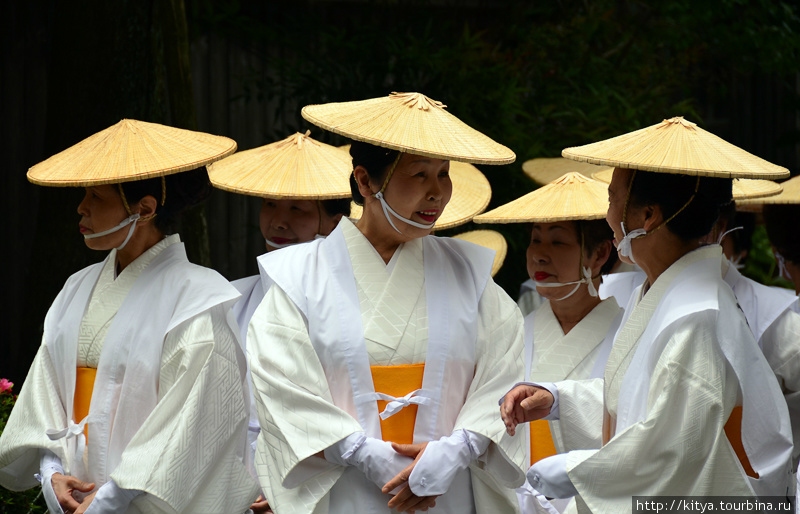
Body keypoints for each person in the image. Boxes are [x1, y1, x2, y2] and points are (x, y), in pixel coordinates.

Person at [248, 92, 526, 513]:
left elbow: (502, 372)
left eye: (444, 174)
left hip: (446, 489)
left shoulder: (469, 274)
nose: (438, 193)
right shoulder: (298, 276)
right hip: (344, 488)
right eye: (419, 175)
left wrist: (457, 449)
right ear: (365, 181)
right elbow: (281, 382)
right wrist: (360, 450)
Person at [501, 117, 793, 512]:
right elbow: (643, 399)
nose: (607, 216)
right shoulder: (663, 291)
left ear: (648, 216)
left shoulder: (696, 314)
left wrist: (579, 467)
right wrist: (558, 400)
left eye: (611, 200)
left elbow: (673, 449)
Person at [0, 119, 260, 513]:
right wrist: (52, 471)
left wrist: (112, 497)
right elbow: (45, 392)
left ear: (144, 209)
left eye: (97, 197)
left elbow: (190, 425)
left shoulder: (197, 297)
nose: (81, 207)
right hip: (74, 489)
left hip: (140, 500)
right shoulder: (77, 286)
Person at [208, 130, 353, 513]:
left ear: (336, 221)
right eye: (270, 205)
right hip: (236, 473)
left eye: (298, 210)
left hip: (318, 475)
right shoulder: (234, 298)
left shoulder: (348, 304)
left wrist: (285, 484)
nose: (278, 221)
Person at [475, 172, 622, 513]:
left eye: (557, 242)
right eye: (535, 240)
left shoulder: (627, 332)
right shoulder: (513, 330)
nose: (539, 255)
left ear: (599, 254)